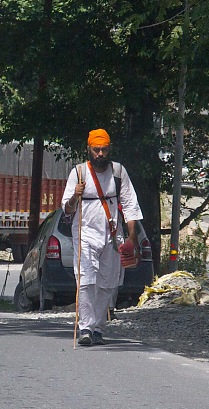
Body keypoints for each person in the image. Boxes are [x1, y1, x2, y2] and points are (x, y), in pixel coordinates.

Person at [61, 129, 143, 346]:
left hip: (112, 234)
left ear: (109, 149)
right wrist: (74, 197)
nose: (100, 154)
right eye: (96, 150)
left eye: (103, 150)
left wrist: (132, 237)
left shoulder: (118, 172)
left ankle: (98, 327)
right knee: (86, 280)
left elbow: (130, 206)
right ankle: (85, 328)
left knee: (108, 283)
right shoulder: (78, 173)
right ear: (89, 149)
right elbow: (67, 210)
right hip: (85, 234)